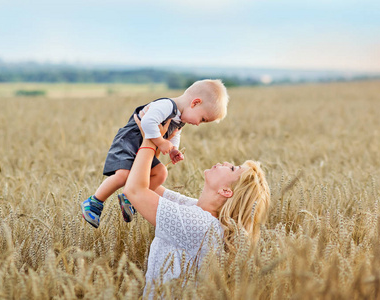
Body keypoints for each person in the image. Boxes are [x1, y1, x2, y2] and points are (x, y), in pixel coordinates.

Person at [124, 114, 271, 297]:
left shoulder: (200, 224)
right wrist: (157, 140)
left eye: (232, 168)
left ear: (226, 191)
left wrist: (148, 138)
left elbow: (135, 191)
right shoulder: (198, 211)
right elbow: (148, 186)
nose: (226, 163)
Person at [81, 79, 229, 228]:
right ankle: (94, 202)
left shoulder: (180, 119)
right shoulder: (167, 105)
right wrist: (161, 142)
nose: (198, 124)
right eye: (202, 119)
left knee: (161, 173)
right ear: (195, 103)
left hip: (144, 148)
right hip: (129, 142)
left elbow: (174, 135)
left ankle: (131, 198)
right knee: (123, 175)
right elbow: (146, 123)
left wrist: (173, 149)